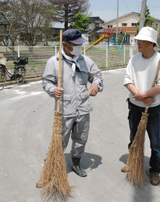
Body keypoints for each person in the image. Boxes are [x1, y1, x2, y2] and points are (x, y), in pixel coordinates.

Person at [42, 29, 103, 177]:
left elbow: (97, 75)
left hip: (83, 107)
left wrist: (96, 85)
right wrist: (53, 89)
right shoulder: (54, 62)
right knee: (60, 139)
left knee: (81, 138)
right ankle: (53, 167)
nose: (79, 48)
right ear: (66, 45)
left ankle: (76, 163)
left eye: (80, 45)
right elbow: (46, 82)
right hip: (64, 108)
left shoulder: (85, 60)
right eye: (75, 45)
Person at [122, 26, 160, 186]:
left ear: (151, 43)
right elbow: (128, 80)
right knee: (134, 136)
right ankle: (133, 162)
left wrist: (145, 95)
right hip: (135, 105)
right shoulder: (134, 59)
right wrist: (140, 96)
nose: (138, 43)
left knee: (155, 141)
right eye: (138, 40)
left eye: (142, 40)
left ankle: (155, 170)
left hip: (153, 108)